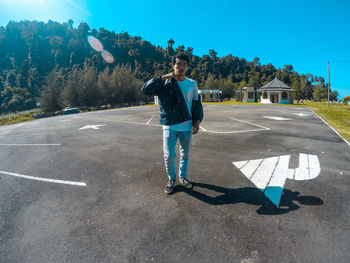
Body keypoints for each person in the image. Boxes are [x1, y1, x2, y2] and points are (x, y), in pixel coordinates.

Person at [141, 53, 203, 194]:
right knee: (168, 155)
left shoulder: (192, 83)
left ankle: (183, 177)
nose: (181, 66)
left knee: (185, 154)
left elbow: (196, 104)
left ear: (187, 67)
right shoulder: (163, 83)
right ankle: (172, 179)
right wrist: (162, 78)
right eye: (178, 63)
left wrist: (197, 121)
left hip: (187, 125)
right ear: (172, 65)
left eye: (184, 64)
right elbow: (145, 90)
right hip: (169, 125)